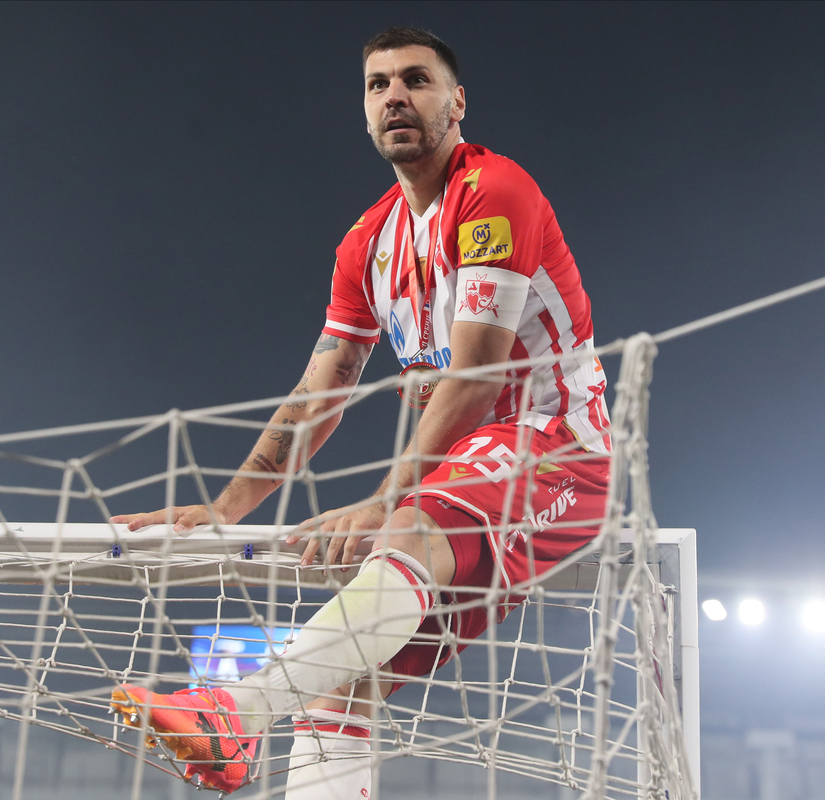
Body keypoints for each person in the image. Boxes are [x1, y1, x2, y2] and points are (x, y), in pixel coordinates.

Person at [109, 26, 611, 797]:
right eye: (378, 85)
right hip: (461, 486)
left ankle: (231, 712)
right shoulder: (366, 243)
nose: (395, 97)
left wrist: (386, 500)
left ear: (457, 101)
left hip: (556, 454)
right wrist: (227, 506)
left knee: (404, 527)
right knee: (334, 691)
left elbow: (477, 375)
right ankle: (249, 717)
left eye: (416, 80)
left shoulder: (495, 191)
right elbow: (324, 385)